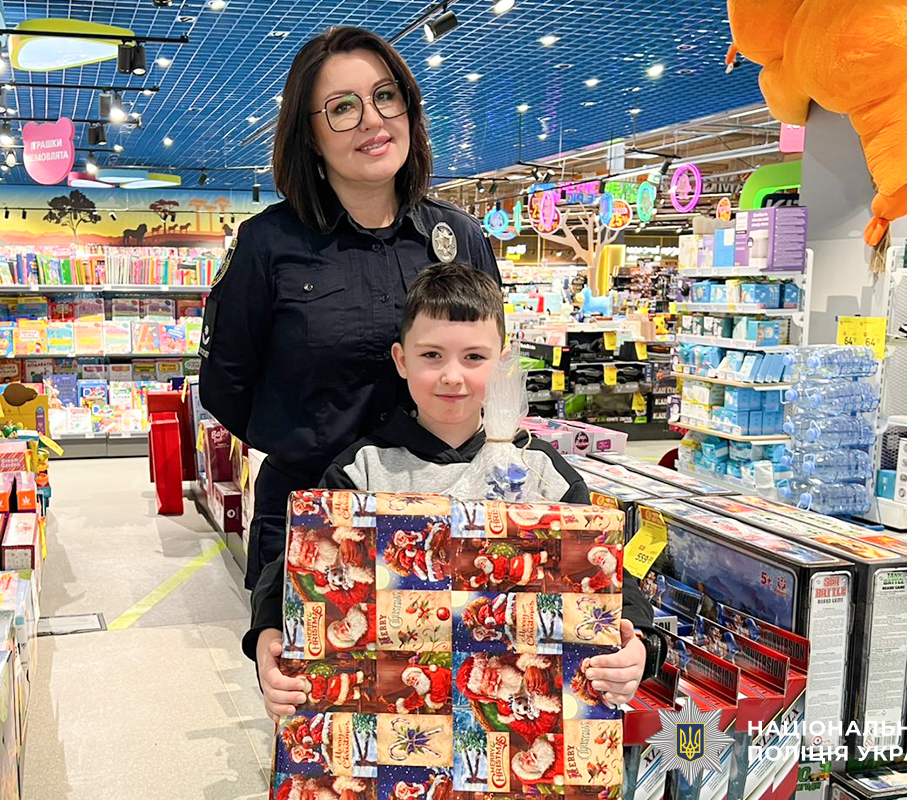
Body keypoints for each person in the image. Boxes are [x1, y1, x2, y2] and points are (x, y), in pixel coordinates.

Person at [245, 264, 665, 721]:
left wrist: (639, 645)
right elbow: (291, 570)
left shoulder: (542, 473)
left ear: (503, 362)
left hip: (515, 722)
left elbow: (610, 571)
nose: (452, 376)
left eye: (474, 357)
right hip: (391, 719)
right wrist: (267, 637)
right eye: (431, 355)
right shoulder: (362, 472)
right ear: (401, 360)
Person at [198, 26, 501, 590]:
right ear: (310, 136)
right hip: (311, 520)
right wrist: (304, 442)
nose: (372, 119)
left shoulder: (459, 237)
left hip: (442, 516)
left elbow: (490, 361)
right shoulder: (269, 245)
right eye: (342, 107)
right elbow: (225, 385)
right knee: (313, 648)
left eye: (386, 96)